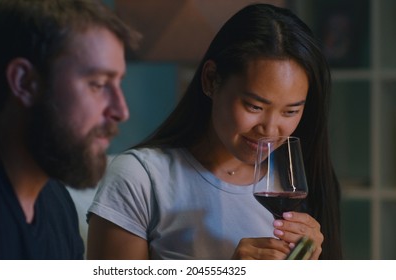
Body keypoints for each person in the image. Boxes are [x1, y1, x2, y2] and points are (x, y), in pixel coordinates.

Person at [87, 3, 342, 260]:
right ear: (210, 80)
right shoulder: (141, 178)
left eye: (290, 111)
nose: (270, 129)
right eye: (254, 106)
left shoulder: (299, 182)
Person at [0, 0, 139, 259]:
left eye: (118, 83)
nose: (121, 111)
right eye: (98, 84)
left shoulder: (56, 203)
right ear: (24, 82)